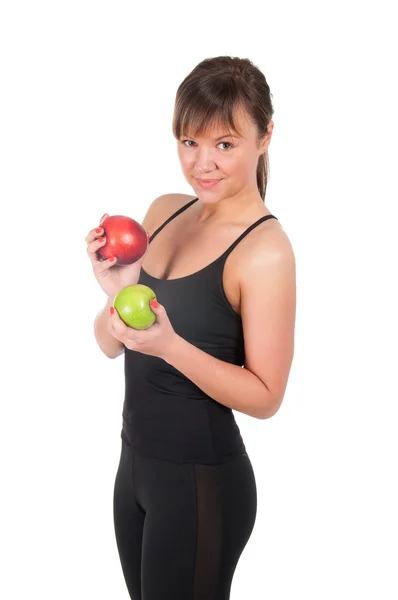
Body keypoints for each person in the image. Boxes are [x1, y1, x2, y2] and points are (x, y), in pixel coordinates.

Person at [85, 55, 296, 600]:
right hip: (133, 470)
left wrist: (172, 346)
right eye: (189, 142)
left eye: (225, 144)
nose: (203, 164)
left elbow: (267, 396)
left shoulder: (265, 251)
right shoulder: (164, 211)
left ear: (264, 136)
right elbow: (109, 344)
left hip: (200, 486)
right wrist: (119, 290)